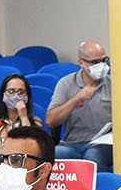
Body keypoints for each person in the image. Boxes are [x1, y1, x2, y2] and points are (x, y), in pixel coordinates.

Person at [46, 40, 116, 171]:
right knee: (54, 154)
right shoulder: (66, 83)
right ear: (81, 63)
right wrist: (77, 98)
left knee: (92, 155)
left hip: (104, 143)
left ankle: (101, 184)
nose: (101, 65)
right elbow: (51, 121)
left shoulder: (113, 84)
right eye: (95, 62)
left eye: (104, 60)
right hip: (73, 144)